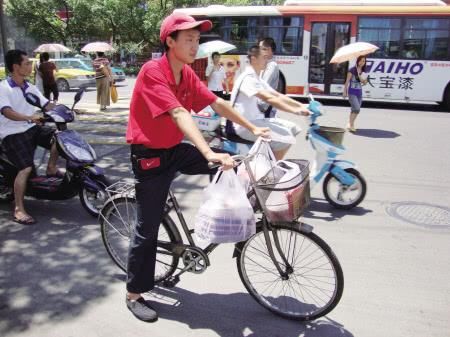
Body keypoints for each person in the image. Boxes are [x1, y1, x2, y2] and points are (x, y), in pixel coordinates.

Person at [124, 13, 270, 322]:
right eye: (188, 39)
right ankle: (134, 293)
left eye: (197, 39)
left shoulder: (187, 73)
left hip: (174, 150)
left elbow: (217, 103)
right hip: (149, 157)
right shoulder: (154, 72)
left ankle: (216, 223)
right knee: (146, 230)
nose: (195, 45)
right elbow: (178, 113)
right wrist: (206, 150)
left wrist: (252, 128)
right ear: (170, 42)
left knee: (229, 165)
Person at [0, 50, 60, 225]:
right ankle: (18, 209)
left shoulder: (30, 87)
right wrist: (29, 117)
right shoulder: (4, 88)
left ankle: (51, 167)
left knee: (61, 137)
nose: (30, 66)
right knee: (25, 168)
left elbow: (46, 104)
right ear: (15, 67)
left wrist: (61, 109)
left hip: (32, 128)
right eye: (26, 63)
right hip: (12, 133)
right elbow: (7, 112)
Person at [229, 45, 310, 160]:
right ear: (253, 58)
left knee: (294, 128)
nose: (267, 61)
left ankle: (265, 160)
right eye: (264, 57)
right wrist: (296, 111)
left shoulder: (257, 78)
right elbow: (269, 99)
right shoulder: (246, 78)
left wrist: (301, 105)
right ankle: (271, 172)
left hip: (258, 120)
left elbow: (277, 95)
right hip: (245, 125)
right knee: (285, 140)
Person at [343, 55, 368, 132]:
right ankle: (351, 125)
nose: (362, 62)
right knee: (357, 109)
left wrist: (364, 81)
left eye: (364, 61)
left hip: (359, 93)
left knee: (354, 110)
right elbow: (347, 81)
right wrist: (345, 91)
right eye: (361, 61)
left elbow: (365, 82)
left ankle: (350, 123)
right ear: (358, 61)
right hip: (352, 92)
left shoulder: (364, 71)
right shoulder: (352, 70)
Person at [258, 37, 280, 118]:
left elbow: (264, 85)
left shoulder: (272, 65)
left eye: (262, 49)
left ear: (269, 50)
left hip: (265, 106)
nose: (259, 51)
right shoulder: (266, 63)